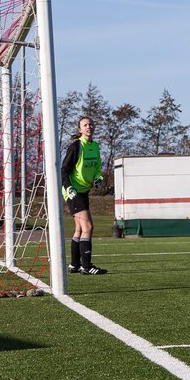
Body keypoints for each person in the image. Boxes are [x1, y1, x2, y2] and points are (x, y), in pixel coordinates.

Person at [60, 115, 108, 274]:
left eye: (91, 124)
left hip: (84, 191)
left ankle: (74, 265)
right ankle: (86, 267)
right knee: (88, 226)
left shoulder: (95, 146)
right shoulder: (76, 146)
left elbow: (97, 169)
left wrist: (98, 179)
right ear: (80, 129)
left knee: (80, 230)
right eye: (85, 125)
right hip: (74, 192)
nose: (89, 127)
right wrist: (68, 187)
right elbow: (64, 170)